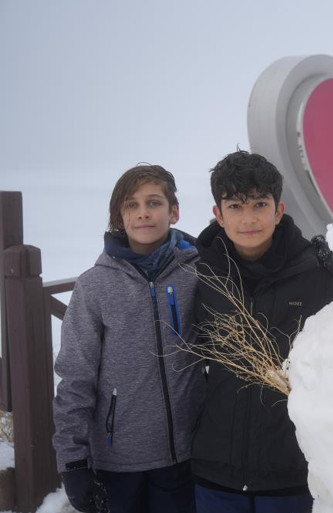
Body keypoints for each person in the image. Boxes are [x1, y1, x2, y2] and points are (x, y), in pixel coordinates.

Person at [191, 150, 333, 513]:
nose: (248, 218)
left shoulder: (317, 273)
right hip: (215, 468)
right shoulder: (198, 272)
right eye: (235, 206)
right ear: (218, 214)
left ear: (278, 210)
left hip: (290, 469)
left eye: (259, 204)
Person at [53, 165, 204, 513]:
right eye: (131, 205)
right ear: (119, 217)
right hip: (116, 463)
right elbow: (75, 377)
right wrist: (73, 462)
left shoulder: (197, 272)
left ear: (174, 211)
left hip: (184, 456)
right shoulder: (94, 286)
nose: (143, 213)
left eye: (153, 202)